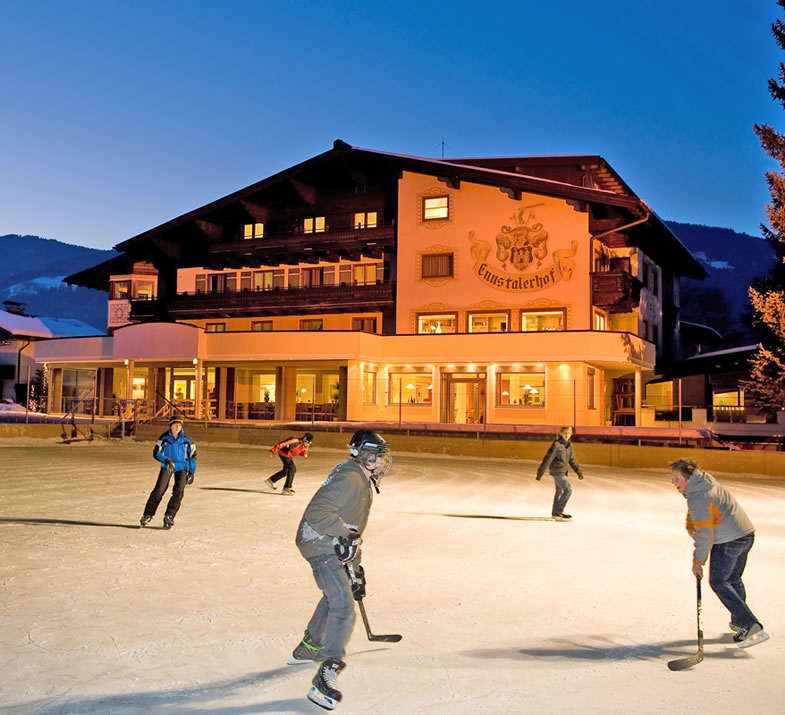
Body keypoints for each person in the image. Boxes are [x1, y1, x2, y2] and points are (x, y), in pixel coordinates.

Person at [290, 430, 392, 711]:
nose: (383, 462)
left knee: (337, 593)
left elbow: (352, 530)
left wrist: (356, 569)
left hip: (329, 543)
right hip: (320, 543)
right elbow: (317, 513)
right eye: (379, 457)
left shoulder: (361, 479)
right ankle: (327, 671)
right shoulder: (350, 478)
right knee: (343, 605)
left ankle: (310, 645)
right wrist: (343, 536)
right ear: (364, 455)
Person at [670, 458, 768, 648]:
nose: (673, 483)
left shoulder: (699, 496)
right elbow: (702, 514)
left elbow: (705, 534)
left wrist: (698, 562)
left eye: (676, 478)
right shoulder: (705, 483)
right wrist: (691, 525)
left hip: (728, 541)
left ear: (688, 478)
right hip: (746, 535)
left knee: (718, 581)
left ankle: (749, 624)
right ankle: (740, 621)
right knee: (732, 579)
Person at [140, 415, 197, 529]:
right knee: (159, 489)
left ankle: (169, 516)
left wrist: (191, 471)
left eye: (179, 425)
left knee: (178, 492)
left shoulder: (187, 439)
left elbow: (193, 455)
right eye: (175, 425)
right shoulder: (164, 438)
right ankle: (148, 514)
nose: (177, 427)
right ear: (170, 426)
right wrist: (166, 460)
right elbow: (156, 452)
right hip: (167, 466)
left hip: (182, 467)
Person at [535, 426, 584, 520]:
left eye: (568, 433)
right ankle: (558, 512)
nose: (567, 435)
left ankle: (555, 512)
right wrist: (540, 473)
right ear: (561, 433)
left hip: (563, 471)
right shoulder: (557, 444)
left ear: (571, 434)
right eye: (565, 433)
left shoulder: (569, 445)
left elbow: (572, 460)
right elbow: (548, 459)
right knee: (568, 490)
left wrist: (579, 472)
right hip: (557, 471)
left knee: (560, 491)